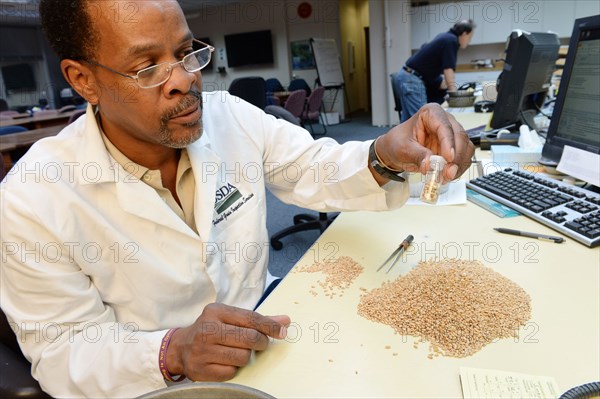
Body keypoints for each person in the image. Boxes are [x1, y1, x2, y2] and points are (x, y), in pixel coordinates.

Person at [0, 1, 474, 397]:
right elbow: (64, 351)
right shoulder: (32, 197)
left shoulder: (230, 115)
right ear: (83, 80)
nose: (184, 80)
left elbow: (314, 166)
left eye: (186, 53)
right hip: (158, 383)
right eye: (146, 67)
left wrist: (384, 154)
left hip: (265, 320)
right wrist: (173, 351)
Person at [396, 19, 476, 122]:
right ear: (464, 34)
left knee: (408, 121)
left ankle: (401, 138)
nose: (469, 41)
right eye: (470, 37)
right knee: (422, 120)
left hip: (407, 76)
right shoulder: (451, 40)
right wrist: (454, 96)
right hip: (412, 79)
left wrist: (445, 85)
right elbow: (448, 69)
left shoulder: (445, 37)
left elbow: (433, 67)